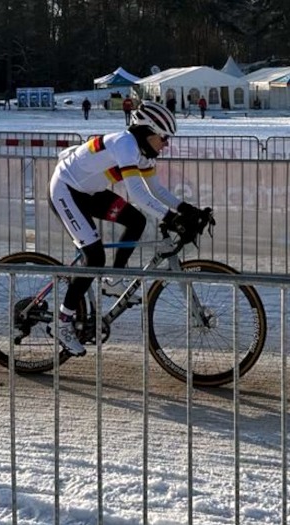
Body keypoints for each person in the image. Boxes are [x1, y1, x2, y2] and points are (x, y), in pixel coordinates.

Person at [47, 100, 211, 356]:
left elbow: (156, 191)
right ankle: (63, 322)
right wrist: (171, 219)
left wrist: (187, 210)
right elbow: (137, 193)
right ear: (148, 131)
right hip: (65, 189)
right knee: (95, 255)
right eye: (164, 137)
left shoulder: (143, 154)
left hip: (89, 192)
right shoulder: (125, 144)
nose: (166, 143)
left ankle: (113, 279)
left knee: (137, 221)